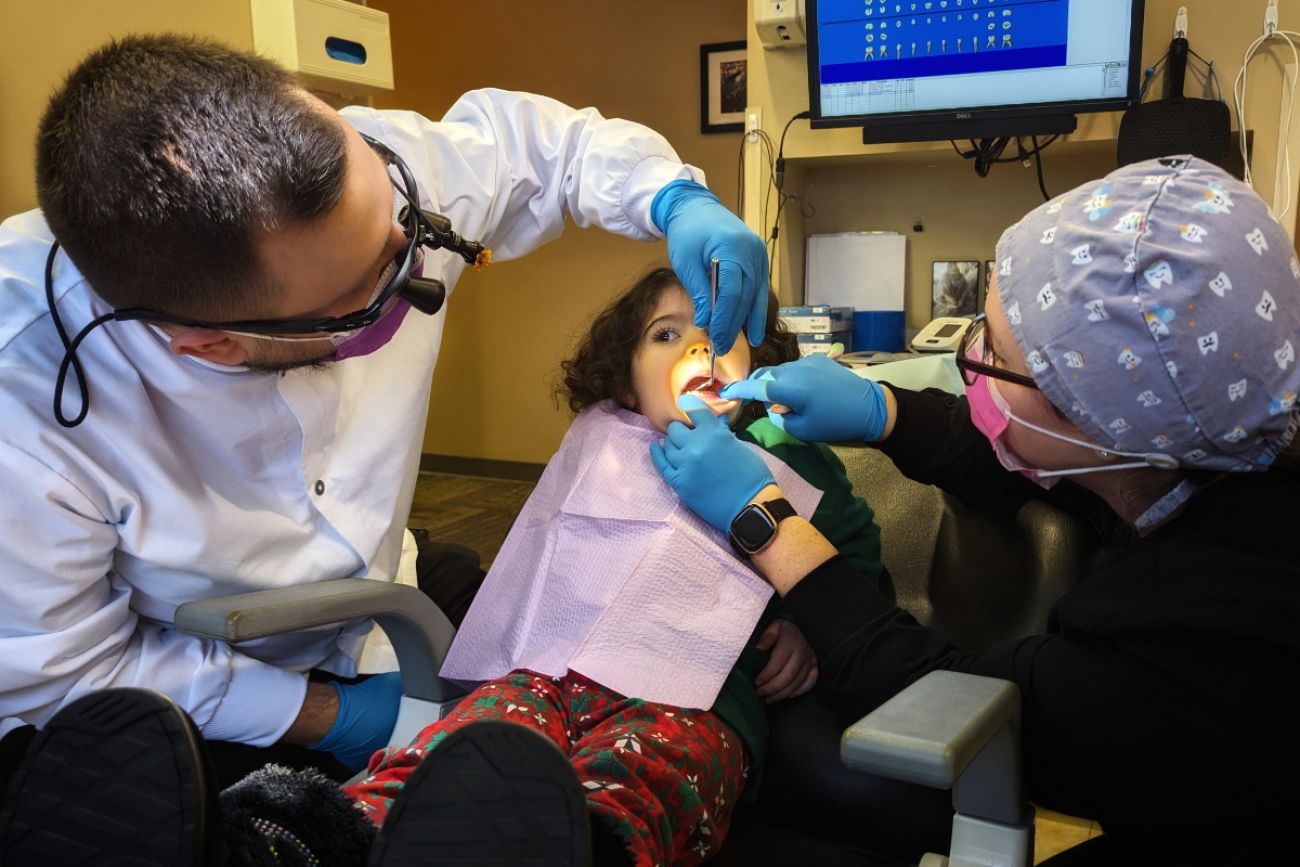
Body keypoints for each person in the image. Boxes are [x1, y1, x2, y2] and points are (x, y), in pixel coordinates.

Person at [0, 30, 770, 803]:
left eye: (407, 229)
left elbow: (550, 151)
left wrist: (674, 197)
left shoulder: (378, 180)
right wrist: (324, 715)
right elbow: (60, 666)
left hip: (380, 604)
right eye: (370, 285)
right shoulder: (23, 390)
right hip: (187, 679)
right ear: (217, 343)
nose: (419, 267)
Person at [0, 268, 886, 866]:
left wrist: (805, 633)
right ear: (622, 378)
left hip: (694, 699)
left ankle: (575, 850)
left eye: (719, 333)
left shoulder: (799, 463)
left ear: (758, 361)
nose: (698, 348)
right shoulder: (601, 453)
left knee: (641, 778)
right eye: (666, 334)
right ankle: (274, 840)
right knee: (455, 754)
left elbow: (858, 588)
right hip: (542, 674)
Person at [652, 157, 1300, 865]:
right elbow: (1019, 461)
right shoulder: (1196, 446)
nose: (970, 364)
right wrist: (883, 410)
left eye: (992, 355)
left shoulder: (1207, 643)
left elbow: (942, 698)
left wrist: (763, 518)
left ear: (1100, 419)